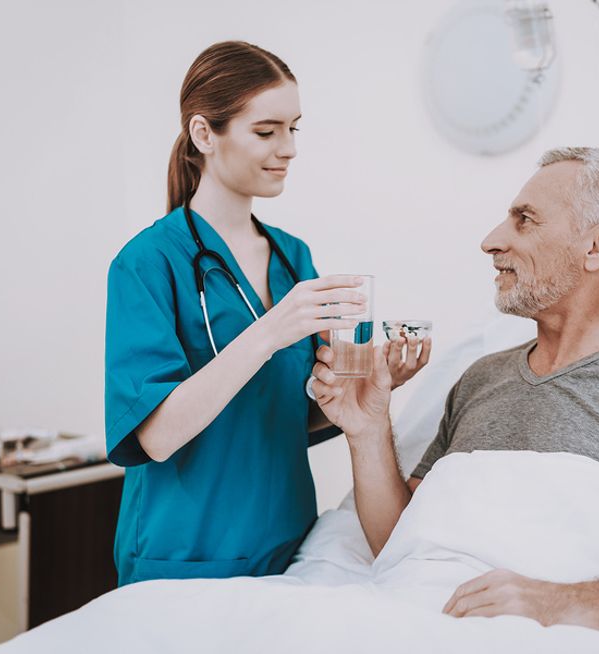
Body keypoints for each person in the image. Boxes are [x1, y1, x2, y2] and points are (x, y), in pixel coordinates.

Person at [309, 147, 599, 639]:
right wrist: (367, 428)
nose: (490, 241)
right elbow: (403, 543)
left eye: (524, 220)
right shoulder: (480, 378)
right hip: (414, 617)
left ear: (598, 246)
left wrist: (556, 604)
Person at [104, 41, 431, 587]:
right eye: (266, 131)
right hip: (185, 555)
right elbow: (156, 437)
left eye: (293, 128)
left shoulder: (291, 256)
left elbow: (280, 414)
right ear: (205, 134)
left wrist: (368, 389)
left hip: (287, 549)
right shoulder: (146, 263)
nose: (289, 148)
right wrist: (270, 331)